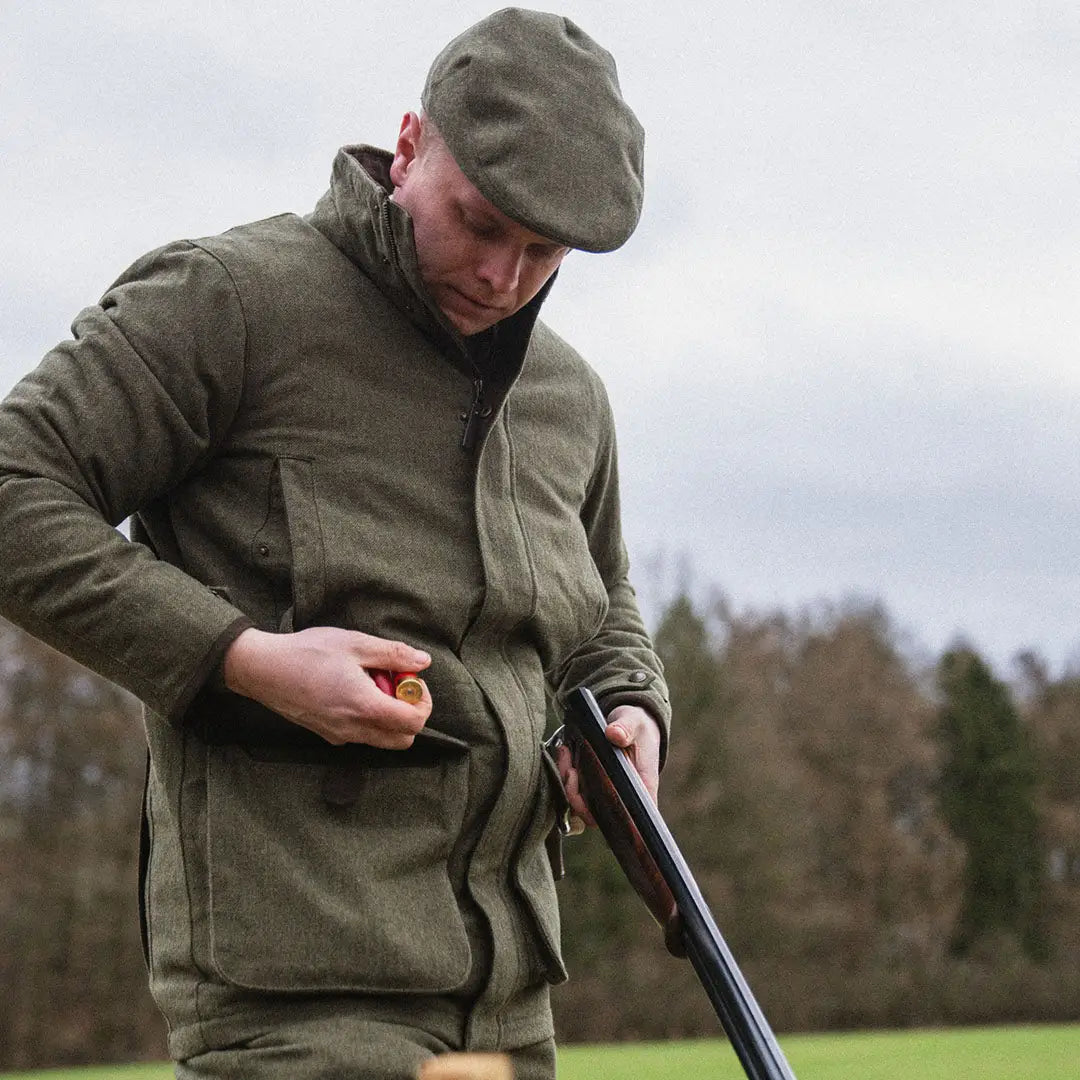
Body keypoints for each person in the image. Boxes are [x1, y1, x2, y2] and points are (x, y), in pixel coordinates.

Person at [0, 8, 670, 1079]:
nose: (504, 277)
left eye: (544, 252)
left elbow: (600, 616)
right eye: (481, 222)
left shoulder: (568, 399)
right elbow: (13, 485)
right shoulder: (231, 303)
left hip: (510, 1011)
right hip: (294, 1006)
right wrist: (246, 661)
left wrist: (631, 718)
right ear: (409, 147)